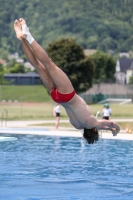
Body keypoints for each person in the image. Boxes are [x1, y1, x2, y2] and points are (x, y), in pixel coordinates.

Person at [13, 18, 120, 144]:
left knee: (49, 64)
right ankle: (22, 39)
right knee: (38, 66)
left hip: (68, 94)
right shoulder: (77, 125)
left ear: (95, 130)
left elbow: (111, 123)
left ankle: (28, 35)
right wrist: (107, 129)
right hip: (57, 98)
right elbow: (103, 125)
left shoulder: (93, 122)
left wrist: (115, 130)